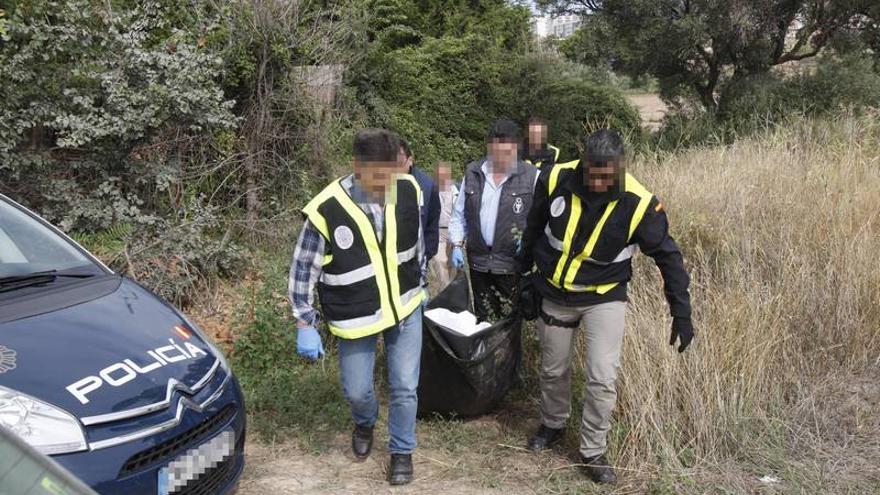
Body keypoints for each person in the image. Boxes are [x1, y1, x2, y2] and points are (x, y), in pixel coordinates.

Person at [516, 129, 695, 484]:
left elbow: (668, 258)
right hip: (554, 292)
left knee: (601, 377)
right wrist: (522, 272)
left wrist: (681, 311)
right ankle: (552, 424)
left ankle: (592, 449)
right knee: (553, 370)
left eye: (606, 175)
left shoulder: (640, 203)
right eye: (591, 173)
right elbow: (535, 225)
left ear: (620, 168)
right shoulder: (555, 178)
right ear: (583, 163)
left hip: (604, 297)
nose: (597, 182)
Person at [288, 129, 426, 486]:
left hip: (406, 306)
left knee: (404, 386)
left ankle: (401, 450)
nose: (384, 184)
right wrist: (305, 322)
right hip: (356, 315)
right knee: (357, 390)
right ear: (357, 166)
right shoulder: (326, 208)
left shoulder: (408, 188)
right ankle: (364, 421)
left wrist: (421, 280)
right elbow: (304, 267)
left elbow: (416, 242)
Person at [449, 119, 538, 321]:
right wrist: (456, 243)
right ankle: (485, 353)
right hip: (478, 263)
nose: (502, 158)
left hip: (511, 264)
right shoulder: (473, 172)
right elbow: (459, 214)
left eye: (507, 152)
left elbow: (542, 219)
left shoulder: (532, 176)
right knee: (484, 319)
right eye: (496, 152)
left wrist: (530, 242)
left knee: (509, 322)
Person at [401, 139, 441, 263]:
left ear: (410, 161)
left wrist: (425, 256)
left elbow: (432, 225)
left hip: (416, 260)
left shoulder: (427, 186)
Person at [429, 161, 458, 288]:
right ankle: (445, 290)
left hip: (453, 232)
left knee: (452, 265)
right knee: (440, 261)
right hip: (438, 232)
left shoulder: (456, 190)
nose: (442, 177)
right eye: (440, 174)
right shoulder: (431, 190)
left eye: (445, 174)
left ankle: (453, 290)